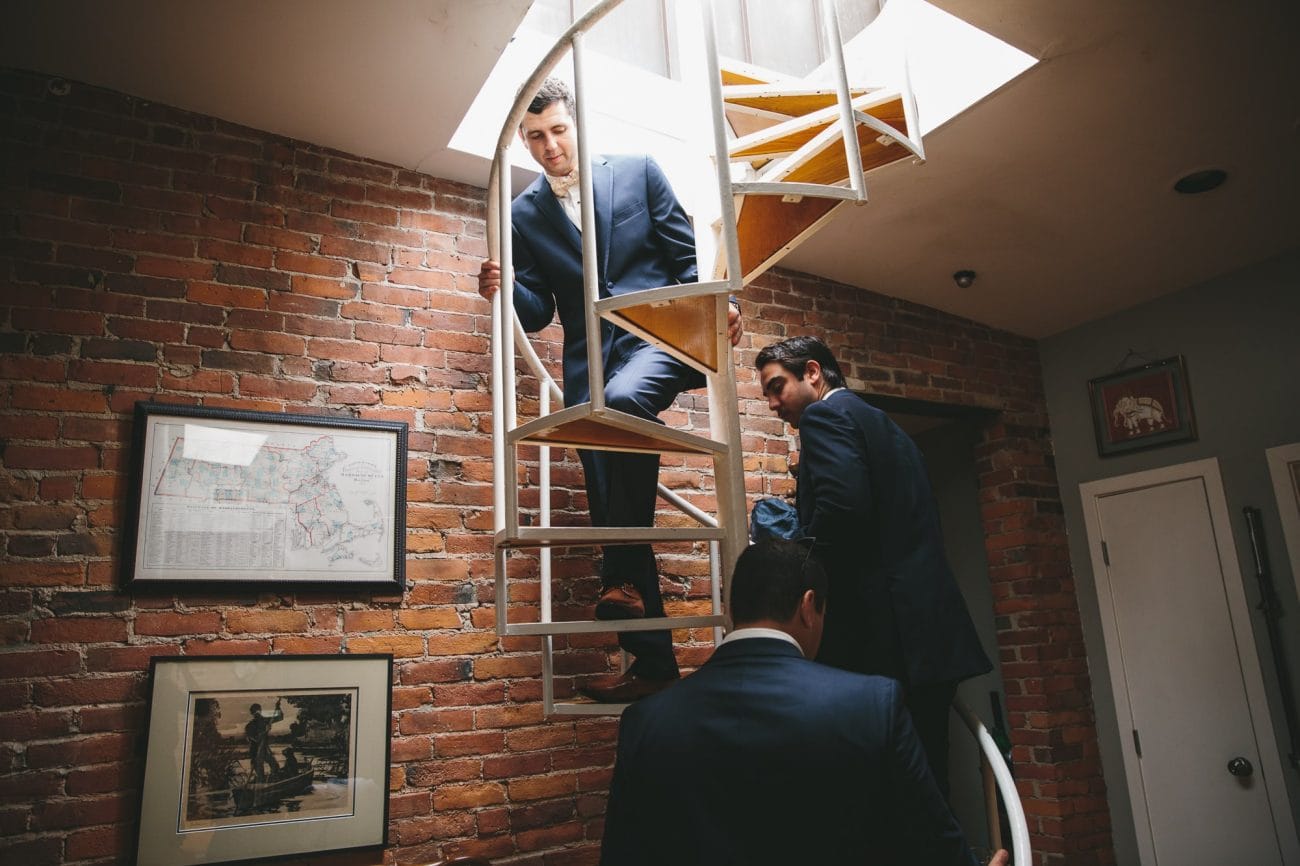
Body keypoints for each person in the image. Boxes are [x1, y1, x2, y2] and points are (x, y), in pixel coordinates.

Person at [478, 77, 741, 702]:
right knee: (613, 508)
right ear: (523, 139)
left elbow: (684, 261)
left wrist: (713, 310)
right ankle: (652, 665)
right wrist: (504, 285)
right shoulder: (521, 214)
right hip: (587, 367)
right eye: (535, 137)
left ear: (578, 123)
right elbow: (538, 311)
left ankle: (620, 580)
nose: (549, 146)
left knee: (622, 409)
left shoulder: (638, 170)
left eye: (558, 130)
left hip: (659, 341)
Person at [601, 539, 1007, 866]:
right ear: (809, 607)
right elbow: (933, 843)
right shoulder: (871, 703)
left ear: (729, 612)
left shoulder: (646, 720)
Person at [755, 335, 992, 794]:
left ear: (812, 373)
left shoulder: (825, 416)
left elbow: (842, 513)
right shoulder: (886, 427)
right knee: (927, 780)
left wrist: (793, 561)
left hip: (884, 641)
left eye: (776, 386)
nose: (770, 403)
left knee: (888, 788)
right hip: (928, 638)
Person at [245, 699, 283, 783]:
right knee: (260, 774)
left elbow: (280, 717)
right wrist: (265, 731)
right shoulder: (249, 726)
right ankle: (261, 787)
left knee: (275, 766)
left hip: (264, 750)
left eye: (259, 711)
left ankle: (273, 783)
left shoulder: (265, 721)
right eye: (256, 712)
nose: (258, 713)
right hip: (255, 752)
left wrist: (278, 708)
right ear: (253, 713)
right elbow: (255, 739)